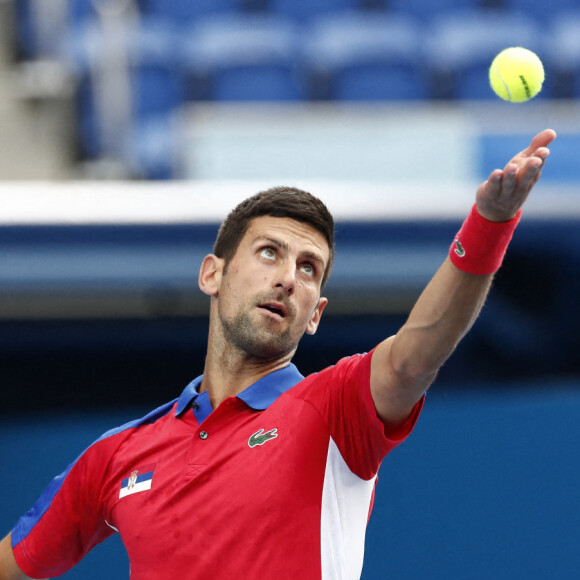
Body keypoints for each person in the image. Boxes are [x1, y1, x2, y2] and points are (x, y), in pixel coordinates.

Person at [0, 129, 556, 580]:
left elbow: (416, 354)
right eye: (269, 252)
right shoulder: (117, 455)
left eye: (308, 269)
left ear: (316, 313)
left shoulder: (337, 407)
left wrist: (489, 225)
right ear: (212, 273)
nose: (288, 278)